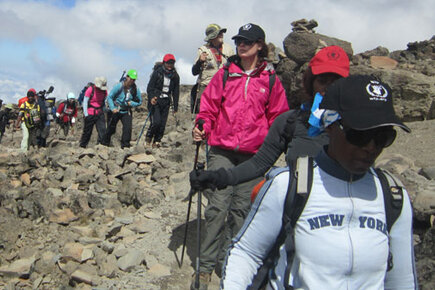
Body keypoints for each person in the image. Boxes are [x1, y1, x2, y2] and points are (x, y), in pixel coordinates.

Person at [221, 75, 417, 289]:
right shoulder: (288, 185)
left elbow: (402, 279)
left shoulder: (393, 196)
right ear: (330, 125)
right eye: (359, 134)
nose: (371, 147)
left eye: (383, 137)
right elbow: (246, 253)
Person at [190, 23, 289, 289]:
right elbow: (208, 107)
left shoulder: (270, 80)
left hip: (254, 158)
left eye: (247, 41)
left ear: (259, 45)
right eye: (239, 40)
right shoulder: (225, 74)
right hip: (221, 150)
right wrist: (202, 127)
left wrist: (272, 149)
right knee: (217, 207)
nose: (241, 44)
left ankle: (229, 264)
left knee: (242, 212)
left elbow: (279, 118)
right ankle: (206, 267)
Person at [190, 45, 349, 193]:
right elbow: (259, 164)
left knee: (241, 211)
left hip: (341, 214)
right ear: (311, 82)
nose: (328, 88)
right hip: (299, 213)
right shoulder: (291, 122)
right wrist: (216, 177)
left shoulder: (358, 125)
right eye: (322, 81)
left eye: (336, 82)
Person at [191, 24, 234, 114]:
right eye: (219, 33)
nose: (222, 34)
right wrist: (200, 61)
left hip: (224, 88)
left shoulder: (229, 49)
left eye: (222, 32)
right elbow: (194, 72)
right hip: (206, 87)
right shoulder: (203, 50)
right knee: (204, 114)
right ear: (212, 37)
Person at [145, 54, 180, 148]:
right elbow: (150, 87)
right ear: (164, 63)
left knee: (162, 123)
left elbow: (176, 92)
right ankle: (148, 138)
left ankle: (157, 141)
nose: (170, 65)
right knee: (156, 121)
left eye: (172, 63)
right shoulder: (157, 73)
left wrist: (175, 107)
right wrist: (151, 97)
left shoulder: (175, 76)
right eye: (168, 63)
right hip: (156, 99)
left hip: (166, 100)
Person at [104, 69, 142, 148]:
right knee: (111, 128)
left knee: (127, 129)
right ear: (127, 77)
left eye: (134, 79)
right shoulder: (119, 86)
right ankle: (104, 144)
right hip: (116, 110)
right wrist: (112, 108)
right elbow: (110, 97)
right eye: (131, 78)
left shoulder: (135, 89)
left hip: (126, 111)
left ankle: (125, 146)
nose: (132, 81)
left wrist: (132, 103)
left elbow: (139, 101)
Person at [79, 77, 108, 148]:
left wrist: (106, 110)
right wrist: (86, 114)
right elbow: (85, 102)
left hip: (99, 113)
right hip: (90, 113)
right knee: (87, 132)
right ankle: (82, 146)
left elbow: (103, 103)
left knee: (103, 130)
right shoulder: (91, 89)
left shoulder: (104, 91)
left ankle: (101, 146)